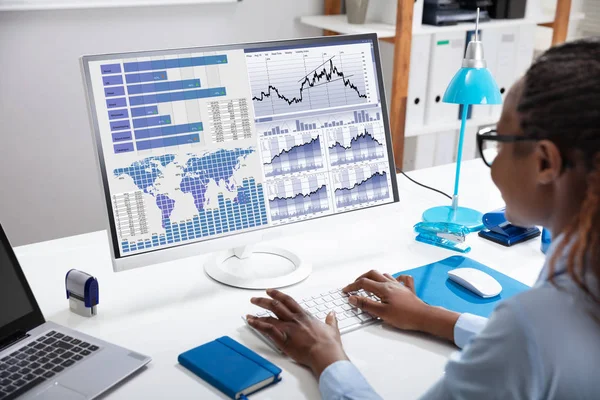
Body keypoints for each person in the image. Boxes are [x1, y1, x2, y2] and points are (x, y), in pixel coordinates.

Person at [246, 37, 600, 399]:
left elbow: (529, 344)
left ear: (545, 163)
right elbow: (531, 350)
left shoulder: (534, 324)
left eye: (498, 141)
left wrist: (325, 356)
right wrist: (429, 316)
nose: (493, 165)